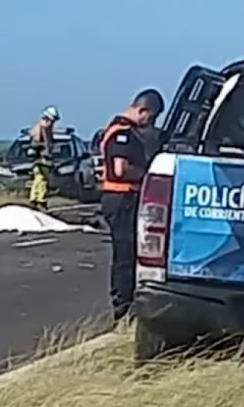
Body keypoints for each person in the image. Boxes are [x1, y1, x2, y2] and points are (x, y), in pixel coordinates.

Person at [100, 88, 165, 322]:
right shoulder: (122, 134)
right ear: (143, 110)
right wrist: (148, 174)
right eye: (152, 117)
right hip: (122, 198)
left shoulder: (117, 129)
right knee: (125, 255)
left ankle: (125, 303)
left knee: (128, 253)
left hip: (121, 199)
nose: (151, 123)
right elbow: (120, 169)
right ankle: (122, 306)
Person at [28, 106, 61, 210]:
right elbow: (36, 143)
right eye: (51, 120)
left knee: (40, 179)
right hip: (40, 159)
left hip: (44, 159)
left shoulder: (47, 129)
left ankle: (35, 199)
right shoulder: (40, 128)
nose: (52, 123)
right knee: (41, 180)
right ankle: (39, 200)